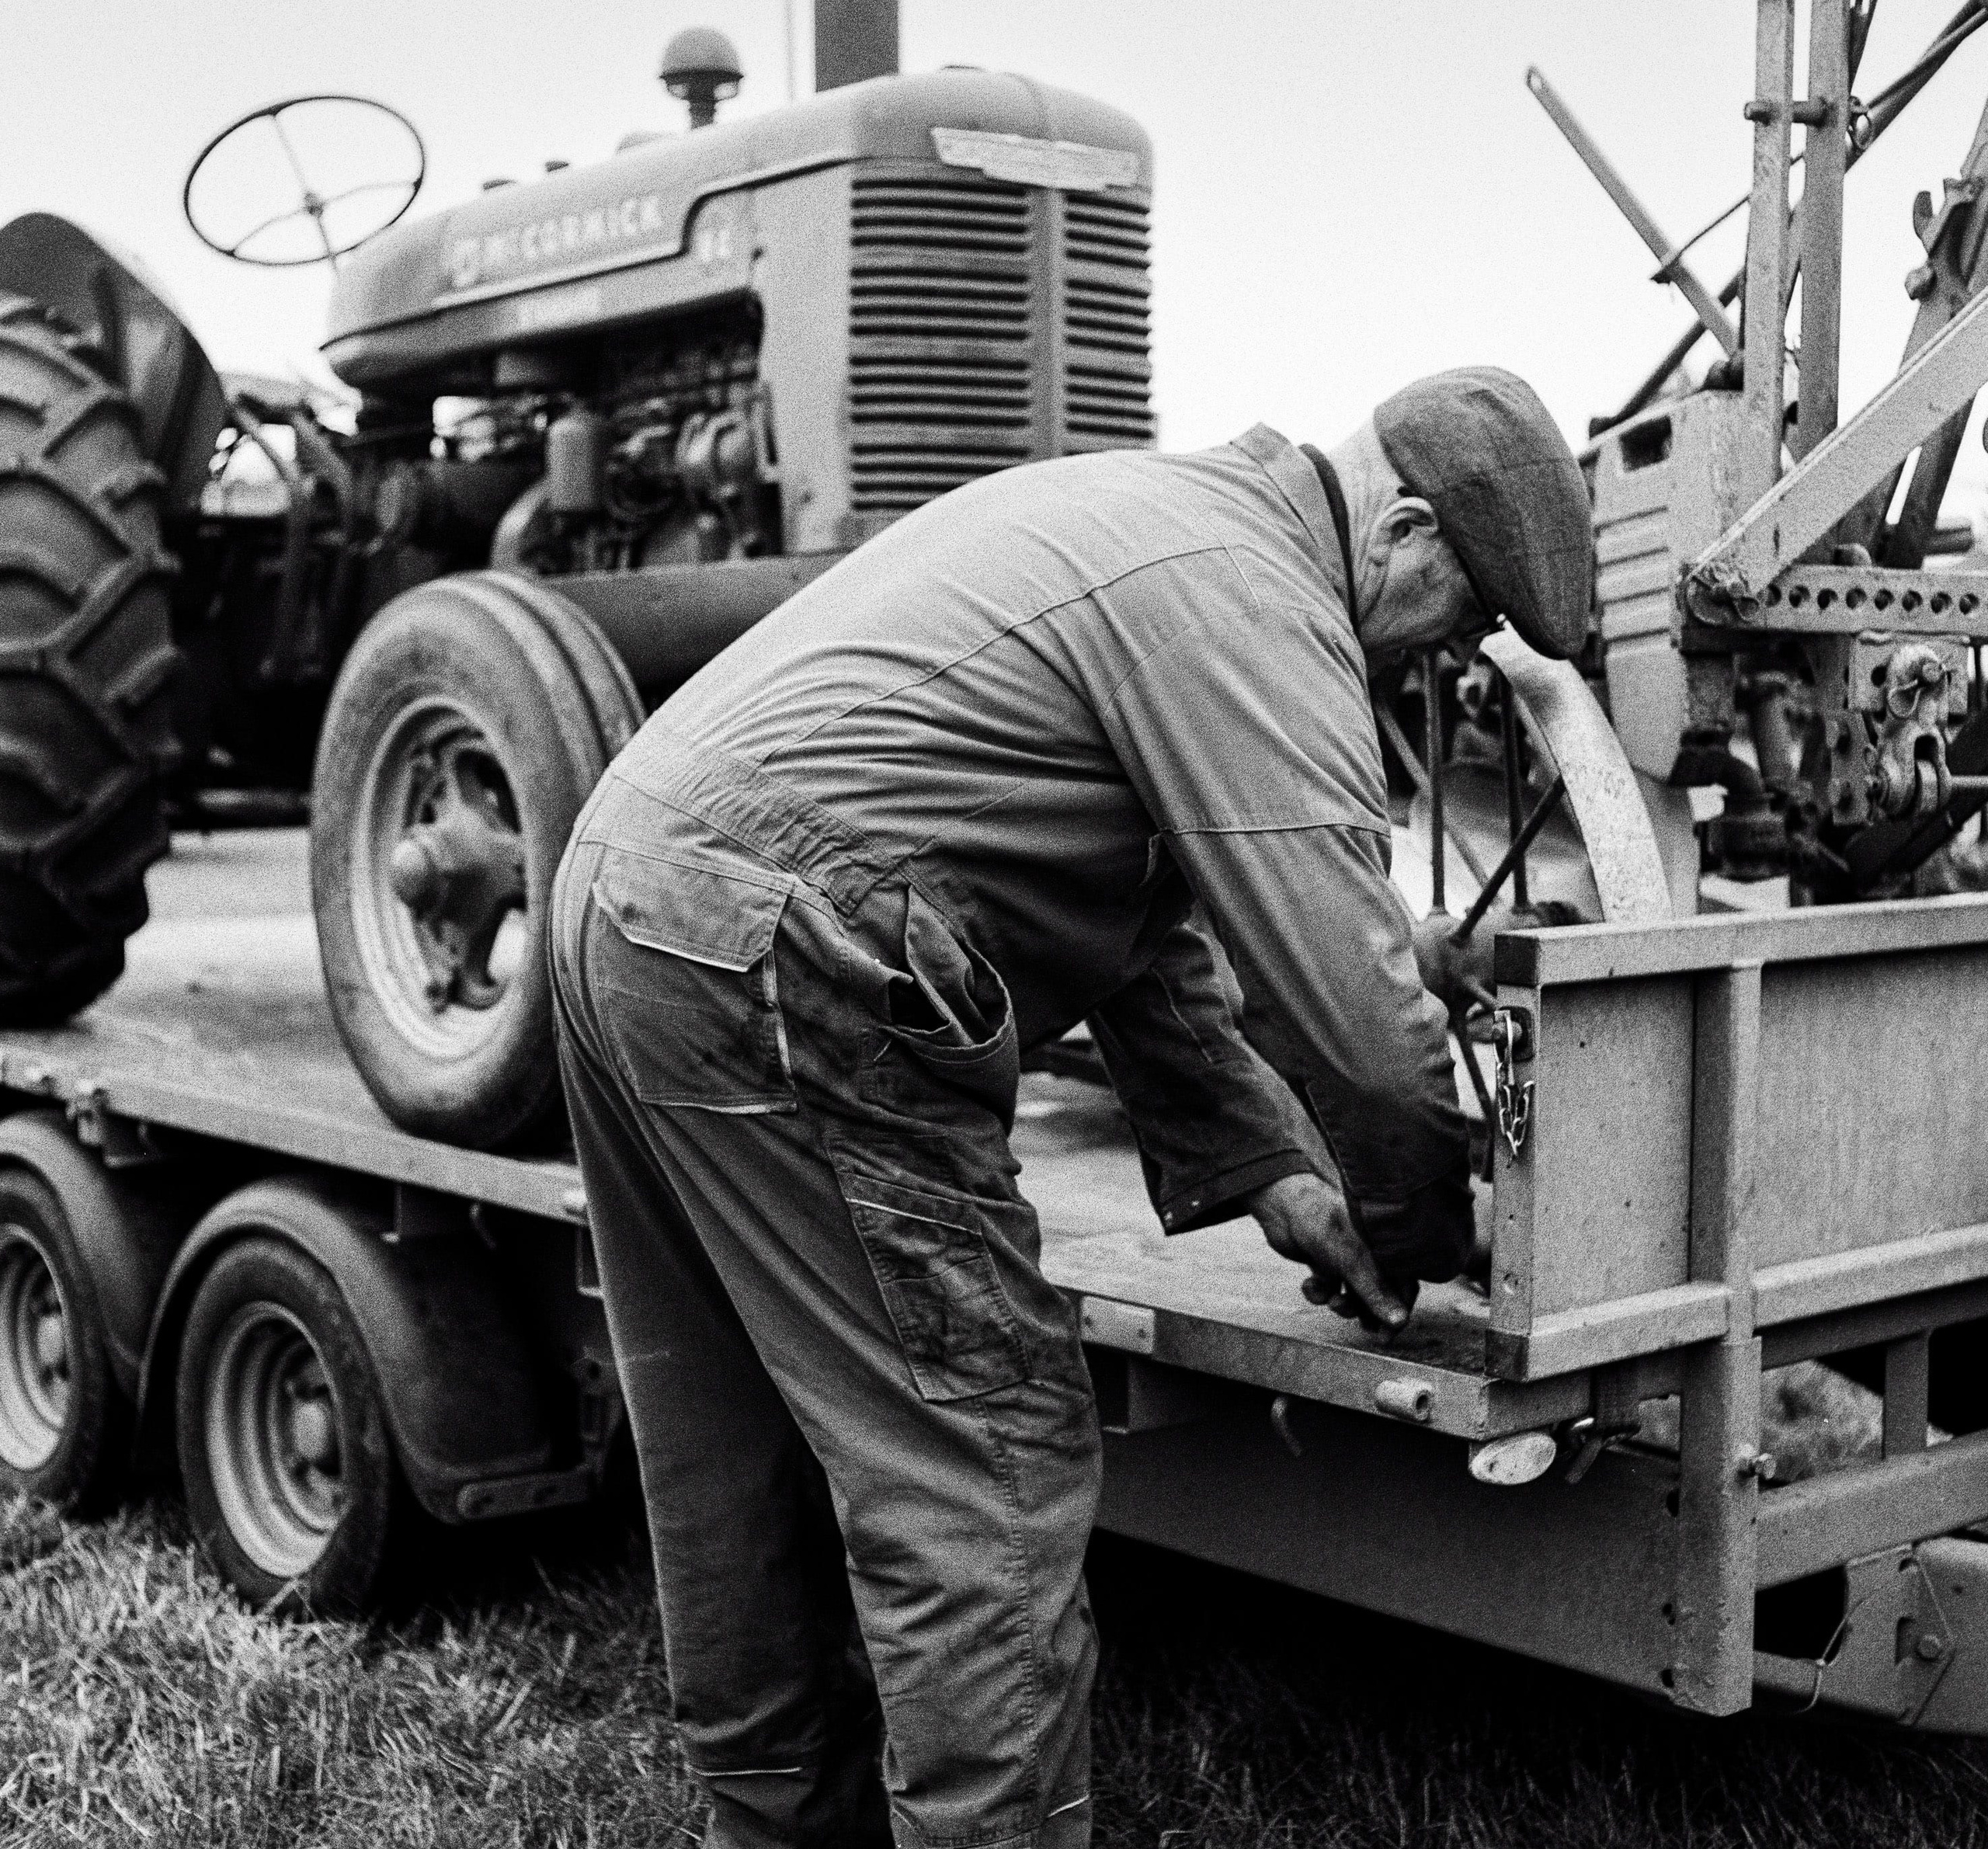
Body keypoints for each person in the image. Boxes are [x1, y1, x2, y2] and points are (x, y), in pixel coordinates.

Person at [548, 366, 1593, 1849]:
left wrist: (1277, 1179)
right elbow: (1366, 1033)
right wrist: (1430, 1219)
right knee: (986, 1463)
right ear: (1406, 530)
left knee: (727, 1441)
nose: (1458, 648)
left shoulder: (1156, 516)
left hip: (629, 901)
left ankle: (769, 1827)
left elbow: (1141, 929)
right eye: (1468, 610)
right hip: (785, 946)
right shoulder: (1260, 608)